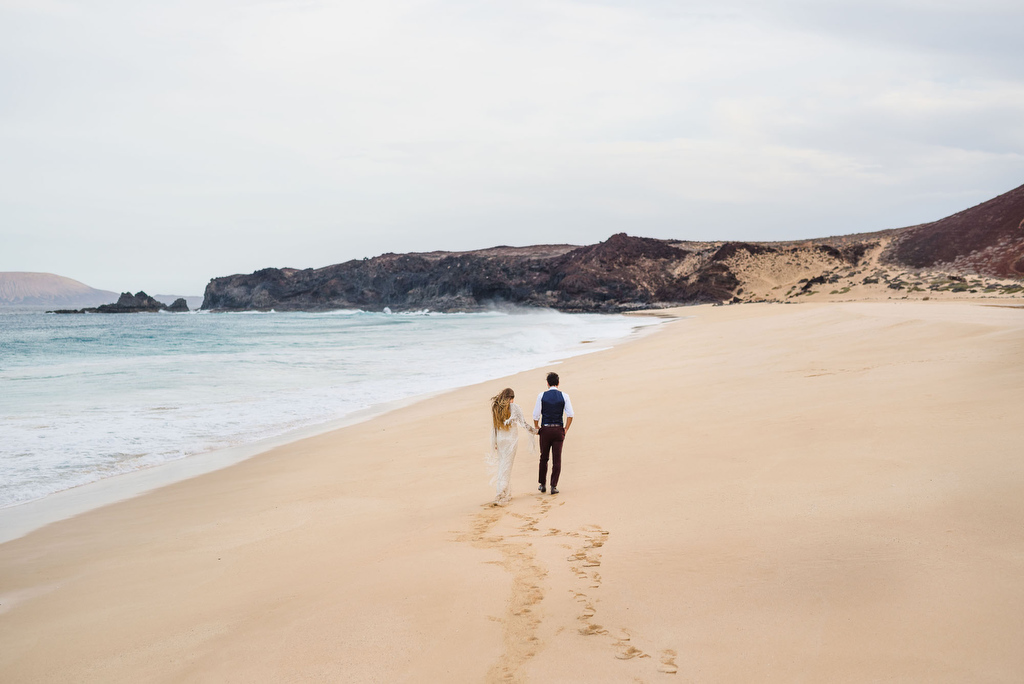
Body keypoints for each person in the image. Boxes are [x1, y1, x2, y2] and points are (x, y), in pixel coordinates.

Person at [486, 388, 537, 506]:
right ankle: (500, 494)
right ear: (511, 398)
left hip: (500, 440)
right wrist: (535, 431)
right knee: (507, 467)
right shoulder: (514, 408)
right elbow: (523, 423)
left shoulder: (496, 408)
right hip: (510, 442)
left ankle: (507, 493)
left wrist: (495, 443)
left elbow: (495, 426)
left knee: (502, 465)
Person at [533, 372, 574, 495]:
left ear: (547, 383)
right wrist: (566, 428)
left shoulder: (541, 395)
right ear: (558, 383)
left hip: (545, 429)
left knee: (544, 458)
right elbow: (570, 414)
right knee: (557, 459)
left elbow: (536, 415)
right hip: (558, 430)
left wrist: (537, 427)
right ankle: (553, 486)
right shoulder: (564, 396)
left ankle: (542, 484)